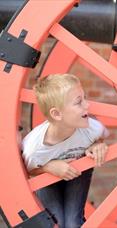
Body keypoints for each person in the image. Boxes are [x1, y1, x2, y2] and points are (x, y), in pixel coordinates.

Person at [22, 73, 109, 228]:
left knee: (73, 223)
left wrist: (97, 145)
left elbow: (100, 137)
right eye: (79, 102)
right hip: (47, 177)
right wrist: (48, 167)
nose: (87, 105)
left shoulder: (91, 127)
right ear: (56, 114)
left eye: (84, 98)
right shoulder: (35, 147)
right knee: (56, 223)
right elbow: (29, 172)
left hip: (77, 172)